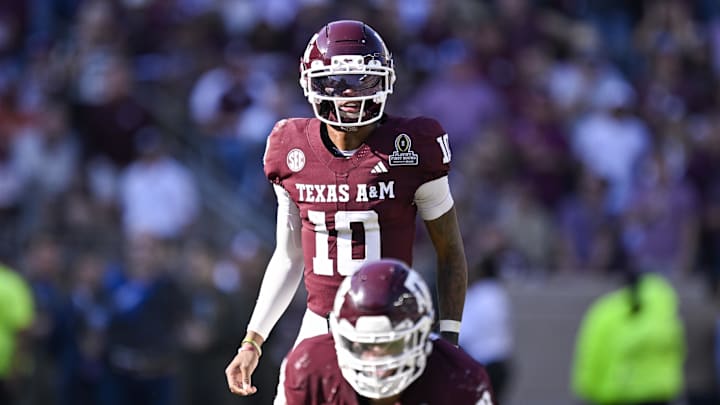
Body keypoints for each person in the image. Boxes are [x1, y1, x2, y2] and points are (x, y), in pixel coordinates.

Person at [225, 19, 469, 402]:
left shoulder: (413, 146)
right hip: (319, 326)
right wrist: (252, 340)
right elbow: (289, 258)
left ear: (384, 81)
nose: (350, 95)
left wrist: (449, 339)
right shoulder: (290, 148)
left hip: (391, 331)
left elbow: (450, 250)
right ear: (312, 85)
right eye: (337, 82)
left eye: (363, 80)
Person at [284, 258, 496, 405]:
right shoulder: (310, 367)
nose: (376, 359)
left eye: (391, 344)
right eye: (363, 345)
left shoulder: (461, 380)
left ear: (422, 336)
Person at [571, 270, 686, 405]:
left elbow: (593, 353)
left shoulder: (607, 311)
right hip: (661, 392)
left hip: (619, 392)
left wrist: (587, 388)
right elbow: (678, 351)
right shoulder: (664, 310)